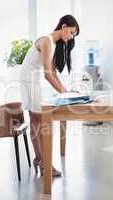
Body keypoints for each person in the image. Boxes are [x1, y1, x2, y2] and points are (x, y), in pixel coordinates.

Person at [20, 15, 79, 177]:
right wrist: (64, 93)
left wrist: (66, 91)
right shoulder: (46, 41)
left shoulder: (53, 44)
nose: (71, 36)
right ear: (64, 26)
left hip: (33, 80)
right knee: (39, 121)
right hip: (28, 81)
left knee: (36, 121)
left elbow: (52, 72)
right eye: (72, 32)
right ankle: (45, 163)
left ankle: (40, 160)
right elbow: (47, 75)